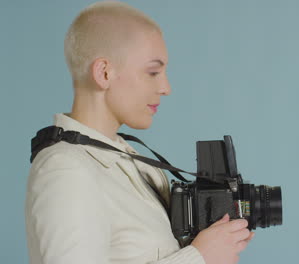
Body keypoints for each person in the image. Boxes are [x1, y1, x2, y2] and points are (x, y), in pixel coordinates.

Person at [24, 1, 254, 264]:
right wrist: (199, 257)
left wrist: (213, 244)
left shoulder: (126, 161)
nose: (166, 87)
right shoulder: (66, 169)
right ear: (104, 73)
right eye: (153, 72)